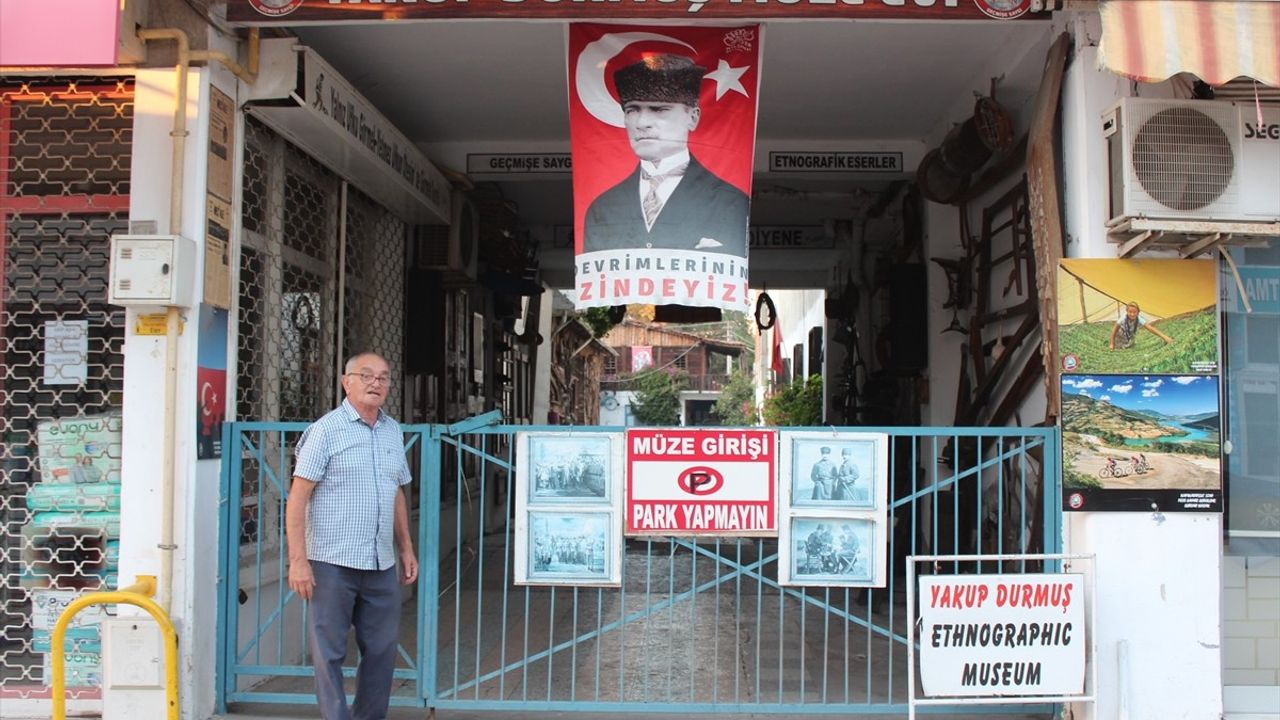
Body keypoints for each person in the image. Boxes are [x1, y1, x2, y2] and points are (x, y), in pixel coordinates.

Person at [287, 352, 418, 720]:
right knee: (328, 652)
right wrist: (298, 561)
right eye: (367, 375)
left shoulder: (393, 430)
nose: (376, 383)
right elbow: (298, 498)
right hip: (331, 562)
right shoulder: (325, 430)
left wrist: (406, 548)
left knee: (381, 650)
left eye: (383, 377)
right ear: (347, 382)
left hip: (379, 561)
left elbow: (396, 492)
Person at [583, 54, 750, 255]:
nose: (642, 122)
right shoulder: (603, 207)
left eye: (659, 109)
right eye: (632, 110)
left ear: (693, 117)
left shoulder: (729, 202)